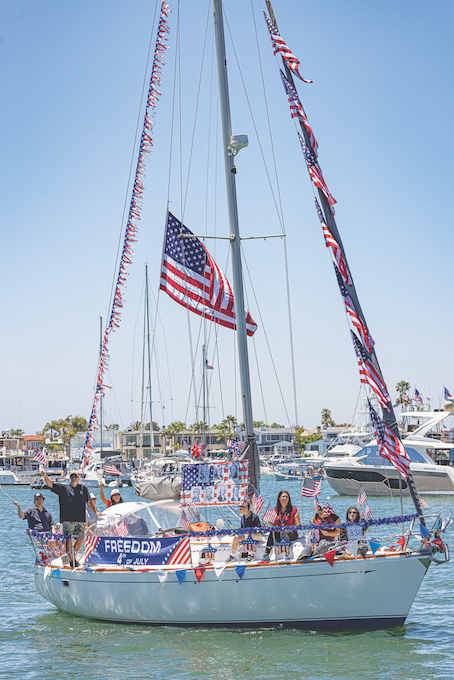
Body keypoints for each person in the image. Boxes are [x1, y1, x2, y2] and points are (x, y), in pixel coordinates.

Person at [40, 468, 89, 564]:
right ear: (69, 478)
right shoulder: (63, 488)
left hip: (80, 519)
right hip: (67, 519)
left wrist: (96, 512)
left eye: (75, 476)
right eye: (72, 476)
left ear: (78, 478)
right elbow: (51, 485)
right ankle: (71, 560)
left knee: (80, 540)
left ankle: (72, 556)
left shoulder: (83, 488)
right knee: (68, 540)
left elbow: (89, 501)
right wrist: (45, 476)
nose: (74, 478)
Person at [263, 490, 301, 561]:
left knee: (284, 532)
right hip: (279, 533)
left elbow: (298, 526)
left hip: (291, 533)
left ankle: (287, 553)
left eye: (286, 497)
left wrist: (296, 519)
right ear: (279, 498)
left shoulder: (293, 510)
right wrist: (269, 520)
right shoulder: (275, 510)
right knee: (272, 533)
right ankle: (266, 555)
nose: (285, 498)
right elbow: (273, 526)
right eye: (283, 496)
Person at [226, 499, 262, 563]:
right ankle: (232, 556)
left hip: (256, 536)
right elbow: (242, 529)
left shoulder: (255, 517)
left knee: (248, 534)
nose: (240, 511)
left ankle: (251, 554)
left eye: (241, 509)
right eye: (239, 509)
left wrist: (251, 532)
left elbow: (259, 529)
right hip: (246, 536)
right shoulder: (242, 518)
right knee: (236, 537)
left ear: (246, 507)